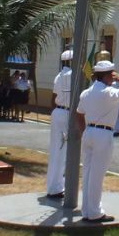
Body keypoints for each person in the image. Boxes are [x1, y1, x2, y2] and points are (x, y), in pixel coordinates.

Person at [75, 60, 119, 223]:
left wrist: (84, 131)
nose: (113, 78)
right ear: (108, 75)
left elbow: (79, 114)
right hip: (103, 134)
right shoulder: (109, 92)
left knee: (87, 173)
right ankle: (94, 212)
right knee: (97, 175)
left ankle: (87, 210)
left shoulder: (86, 93)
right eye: (112, 74)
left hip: (89, 132)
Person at [45, 50, 73, 199]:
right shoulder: (71, 76)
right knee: (63, 152)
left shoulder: (58, 76)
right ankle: (56, 187)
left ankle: (53, 185)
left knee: (56, 150)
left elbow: (53, 98)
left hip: (57, 112)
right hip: (66, 113)